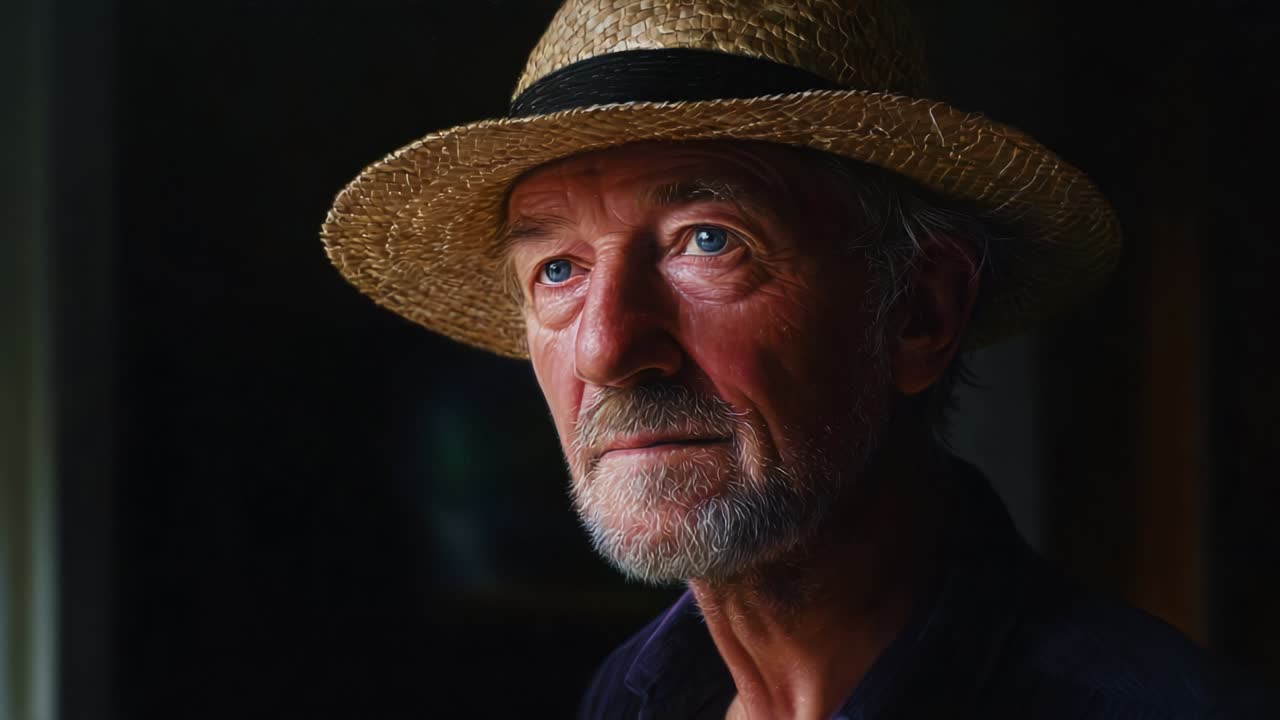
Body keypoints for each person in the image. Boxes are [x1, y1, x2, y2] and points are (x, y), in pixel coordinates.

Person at [322, 1, 1275, 717]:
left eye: (706, 241)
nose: (610, 348)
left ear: (920, 311)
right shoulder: (634, 697)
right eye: (559, 269)